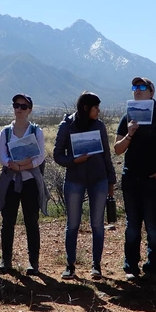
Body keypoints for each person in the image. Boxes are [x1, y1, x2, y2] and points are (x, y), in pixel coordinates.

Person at [114, 77, 156, 282]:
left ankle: (153, 267)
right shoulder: (127, 118)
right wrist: (130, 133)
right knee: (132, 225)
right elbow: (117, 150)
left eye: (142, 87)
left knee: (153, 225)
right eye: (134, 87)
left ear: (151, 92)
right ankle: (130, 266)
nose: (137, 91)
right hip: (130, 178)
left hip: (152, 180)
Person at [54, 92, 116, 280]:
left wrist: (111, 181)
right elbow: (58, 155)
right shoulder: (66, 126)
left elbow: (106, 156)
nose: (99, 111)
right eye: (96, 107)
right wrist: (74, 160)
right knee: (72, 224)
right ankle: (70, 265)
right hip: (74, 180)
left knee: (97, 224)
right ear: (86, 108)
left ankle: (96, 266)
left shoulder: (99, 126)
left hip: (99, 180)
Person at [0, 93, 48, 275]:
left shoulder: (36, 131)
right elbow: (3, 157)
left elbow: (40, 156)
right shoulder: (5, 132)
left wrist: (21, 165)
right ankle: (5, 260)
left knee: (31, 221)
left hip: (30, 182)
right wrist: (14, 165)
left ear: (30, 110)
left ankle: (34, 262)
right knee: (8, 222)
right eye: (17, 105)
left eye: (24, 106)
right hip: (10, 182)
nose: (19, 109)